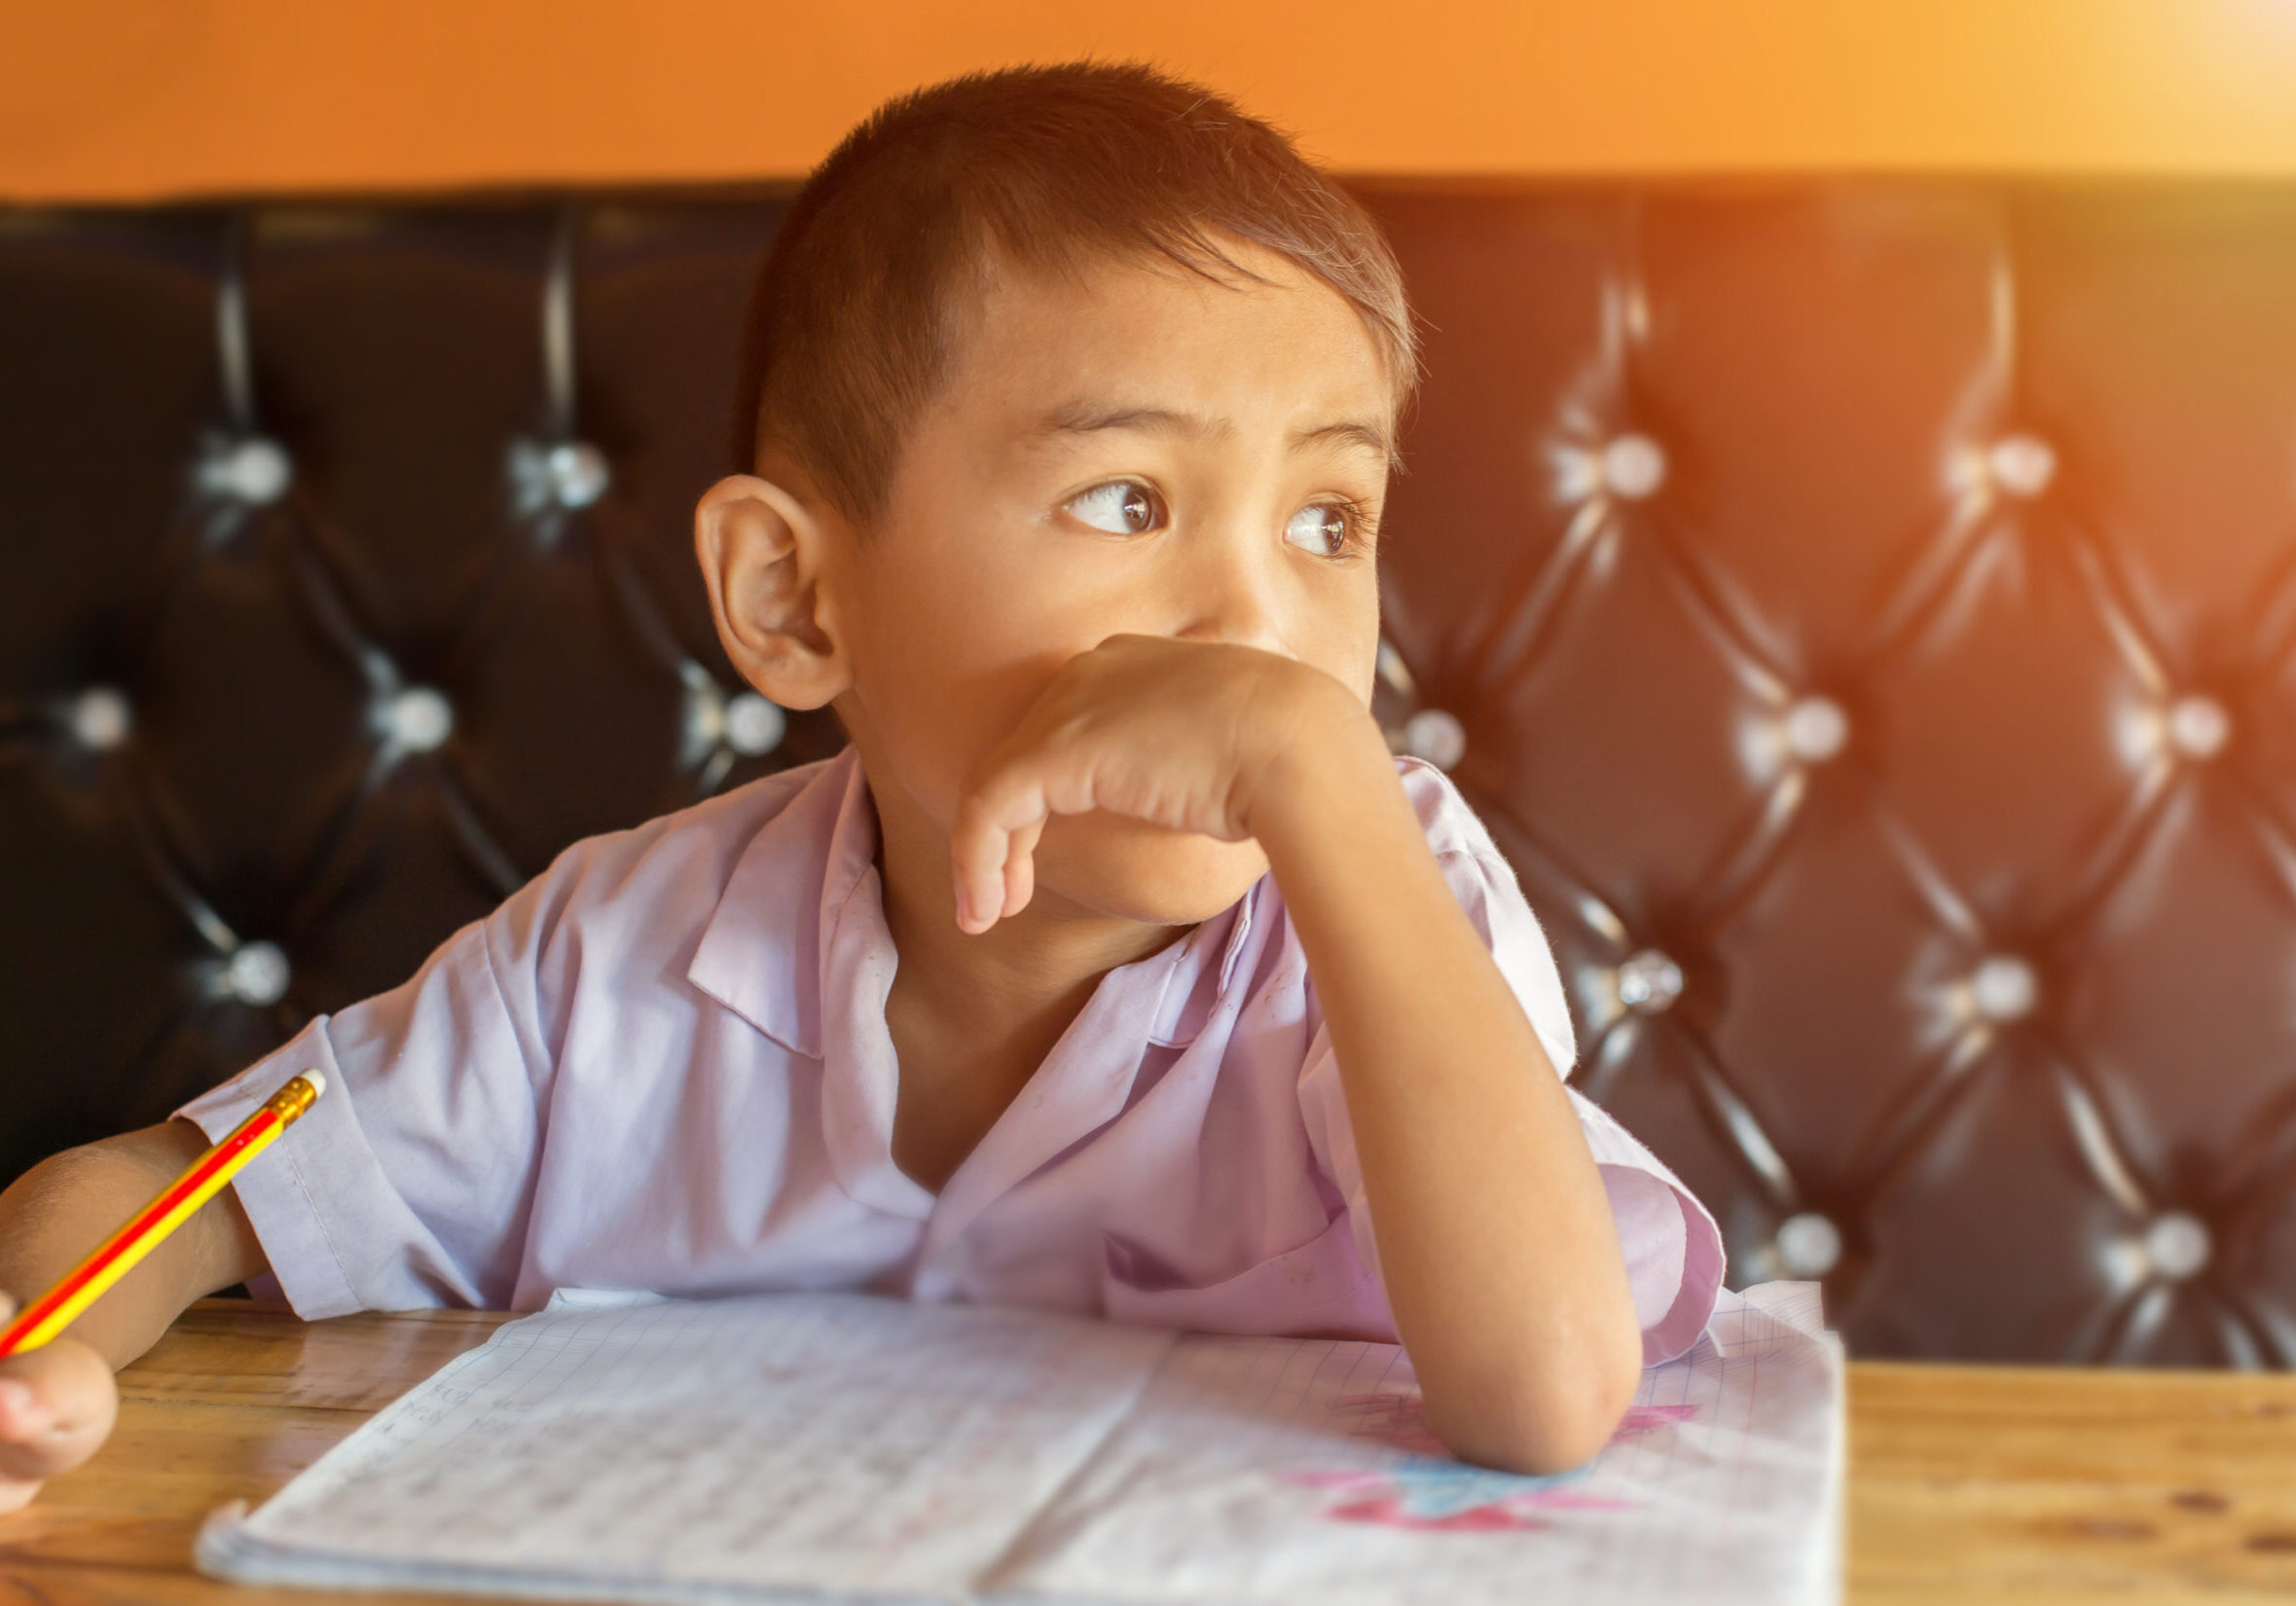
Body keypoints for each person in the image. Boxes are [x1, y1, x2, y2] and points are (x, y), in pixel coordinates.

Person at [0, 61, 1723, 1511]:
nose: (1257, 626)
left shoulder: (1379, 883)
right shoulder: (609, 964)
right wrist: (31, 1340)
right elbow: (185, 1193)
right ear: (793, 599)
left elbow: (1549, 1395)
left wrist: (1319, 783)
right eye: (1130, 500)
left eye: (1327, 520)